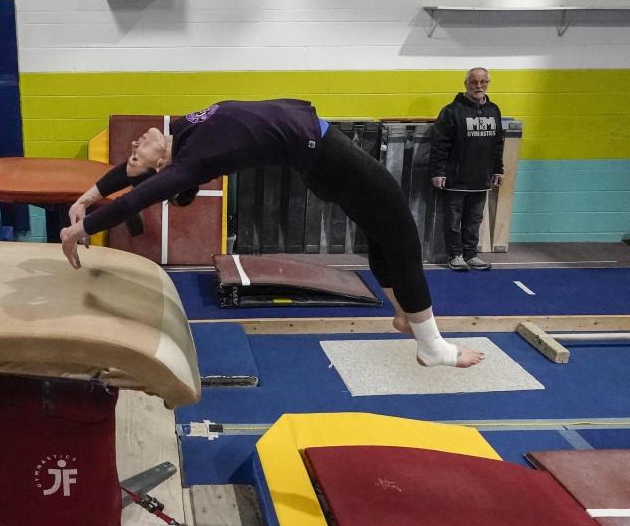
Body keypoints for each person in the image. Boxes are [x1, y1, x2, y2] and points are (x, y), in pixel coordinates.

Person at [60, 99, 484, 368]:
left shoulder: (185, 134)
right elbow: (136, 198)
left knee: (380, 230)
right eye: (137, 154)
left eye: (133, 151)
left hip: (319, 159)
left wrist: (86, 196)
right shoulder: (189, 163)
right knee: (401, 232)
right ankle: (433, 347)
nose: (135, 144)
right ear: (158, 167)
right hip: (326, 155)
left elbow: (125, 178)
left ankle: (400, 313)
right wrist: (84, 228)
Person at [430, 67, 505, 272]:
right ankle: (455, 255)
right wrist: (438, 172)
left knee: (474, 221)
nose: (478, 86)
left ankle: (471, 255)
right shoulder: (451, 111)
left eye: (483, 82)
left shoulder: (494, 110)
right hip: (456, 179)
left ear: (488, 84)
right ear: (466, 84)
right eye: (474, 82)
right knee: (454, 221)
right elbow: (440, 144)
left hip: (481, 179)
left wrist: (498, 170)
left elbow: (498, 143)